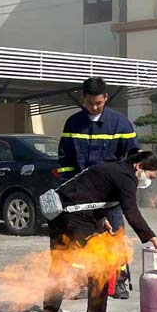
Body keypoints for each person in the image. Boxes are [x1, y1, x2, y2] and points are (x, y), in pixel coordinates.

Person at [40, 151, 157, 312]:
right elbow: (131, 211)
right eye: (150, 176)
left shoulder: (112, 168)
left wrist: (101, 219)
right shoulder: (126, 176)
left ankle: (49, 310)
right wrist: (152, 238)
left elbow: (89, 194)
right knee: (100, 264)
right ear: (139, 166)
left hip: (60, 215)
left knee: (61, 261)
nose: (148, 181)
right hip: (76, 217)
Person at [57, 77, 141, 299]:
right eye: (90, 103)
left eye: (99, 103)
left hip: (110, 197)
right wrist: (67, 192)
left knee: (114, 237)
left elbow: (132, 159)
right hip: (80, 197)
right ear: (84, 99)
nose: (94, 107)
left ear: (105, 98)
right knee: (80, 240)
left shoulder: (121, 124)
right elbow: (65, 160)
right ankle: (82, 283)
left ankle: (119, 281)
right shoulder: (73, 123)